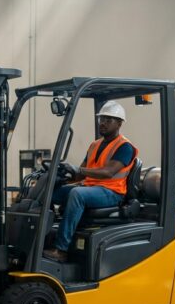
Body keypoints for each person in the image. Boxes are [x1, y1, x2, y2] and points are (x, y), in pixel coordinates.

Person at [43, 101, 138, 263]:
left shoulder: (125, 147)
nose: (103, 123)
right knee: (49, 192)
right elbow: (80, 173)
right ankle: (42, 239)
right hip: (91, 188)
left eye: (109, 120)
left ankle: (61, 249)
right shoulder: (95, 145)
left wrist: (78, 171)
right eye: (101, 119)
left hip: (112, 192)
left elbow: (108, 172)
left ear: (119, 123)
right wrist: (64, 176)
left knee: (77, 194)